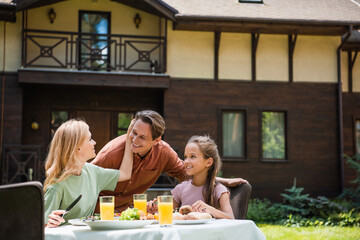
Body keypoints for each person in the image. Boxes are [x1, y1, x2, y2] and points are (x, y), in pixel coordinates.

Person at [92, 110, 248, 213]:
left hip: (128, 213)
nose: (134, 140)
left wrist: (220, 180)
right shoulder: (111, 153)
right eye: (134, 133)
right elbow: (85, 179)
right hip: (97, 212)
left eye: (142, 137)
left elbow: (186, 174)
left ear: (157, 140)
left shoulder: (163, 153)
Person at [43, 119, 134, 228]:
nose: (94, 142)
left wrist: (130, 139)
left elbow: (125, 173)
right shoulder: (57, 185)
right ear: (78, 147)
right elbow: (42, 228)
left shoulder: (93, 172)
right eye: (90, 139)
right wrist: (50, 223)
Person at [171, 135, 234, 219]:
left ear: (208, 162)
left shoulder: (219, 190)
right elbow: (167, 214)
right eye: (185, 157)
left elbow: (231, 218)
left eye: (192, 156)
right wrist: (154, 209)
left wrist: (210, 209)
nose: (186, 161)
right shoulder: (180, 189)